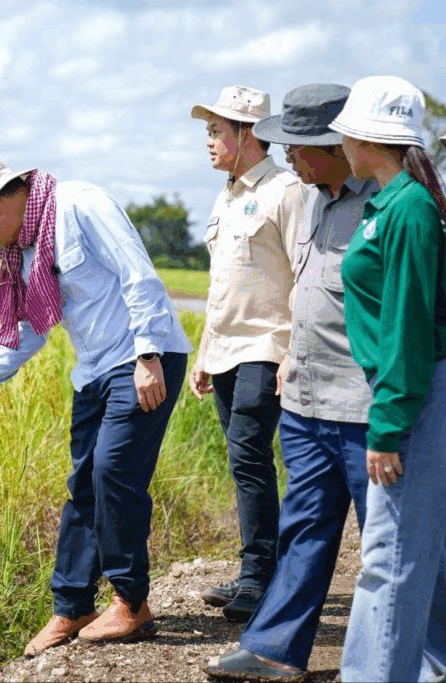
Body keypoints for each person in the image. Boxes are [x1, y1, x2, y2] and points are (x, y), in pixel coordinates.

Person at [0, 151, 193, 657]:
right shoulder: (23, 250)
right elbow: (28, 331)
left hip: (142, 356)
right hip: (93, 370)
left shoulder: (80, 204)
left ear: (3, 198)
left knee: (114, 472)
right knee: (83, 483)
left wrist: (149, 354)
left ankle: (131, 603)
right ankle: (72, 607)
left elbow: (139, 274)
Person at [201, 84, 378, 680]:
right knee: (304, 525)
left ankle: (410, 658)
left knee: (390, 541)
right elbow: (281, 290)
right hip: (301, 389)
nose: (292, 157)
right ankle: (275, 644)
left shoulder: (384, 206)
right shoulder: (304, 199)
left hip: (354, 395)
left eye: (302, 147)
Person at [326, 76, 446, 683]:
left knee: (389, 553)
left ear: (361, 135)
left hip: (413, 394)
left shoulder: (409, 210)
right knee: (427, 549)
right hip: (409, 388)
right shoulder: (390, 201)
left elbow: (407, 326)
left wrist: (389, 425)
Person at [189, 86, 308, 621]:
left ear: (249, 134)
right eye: (209, 131)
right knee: (246, 461)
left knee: (247, 453)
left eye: (217, 131)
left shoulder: (286, 191)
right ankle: (257, 569)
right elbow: (224, 284)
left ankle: (259, 576)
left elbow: (306, 275)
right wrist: (205, 353)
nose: (209, 142)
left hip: (269, 345)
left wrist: (293, 351)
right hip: (227, 350)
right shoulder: (226, 194)